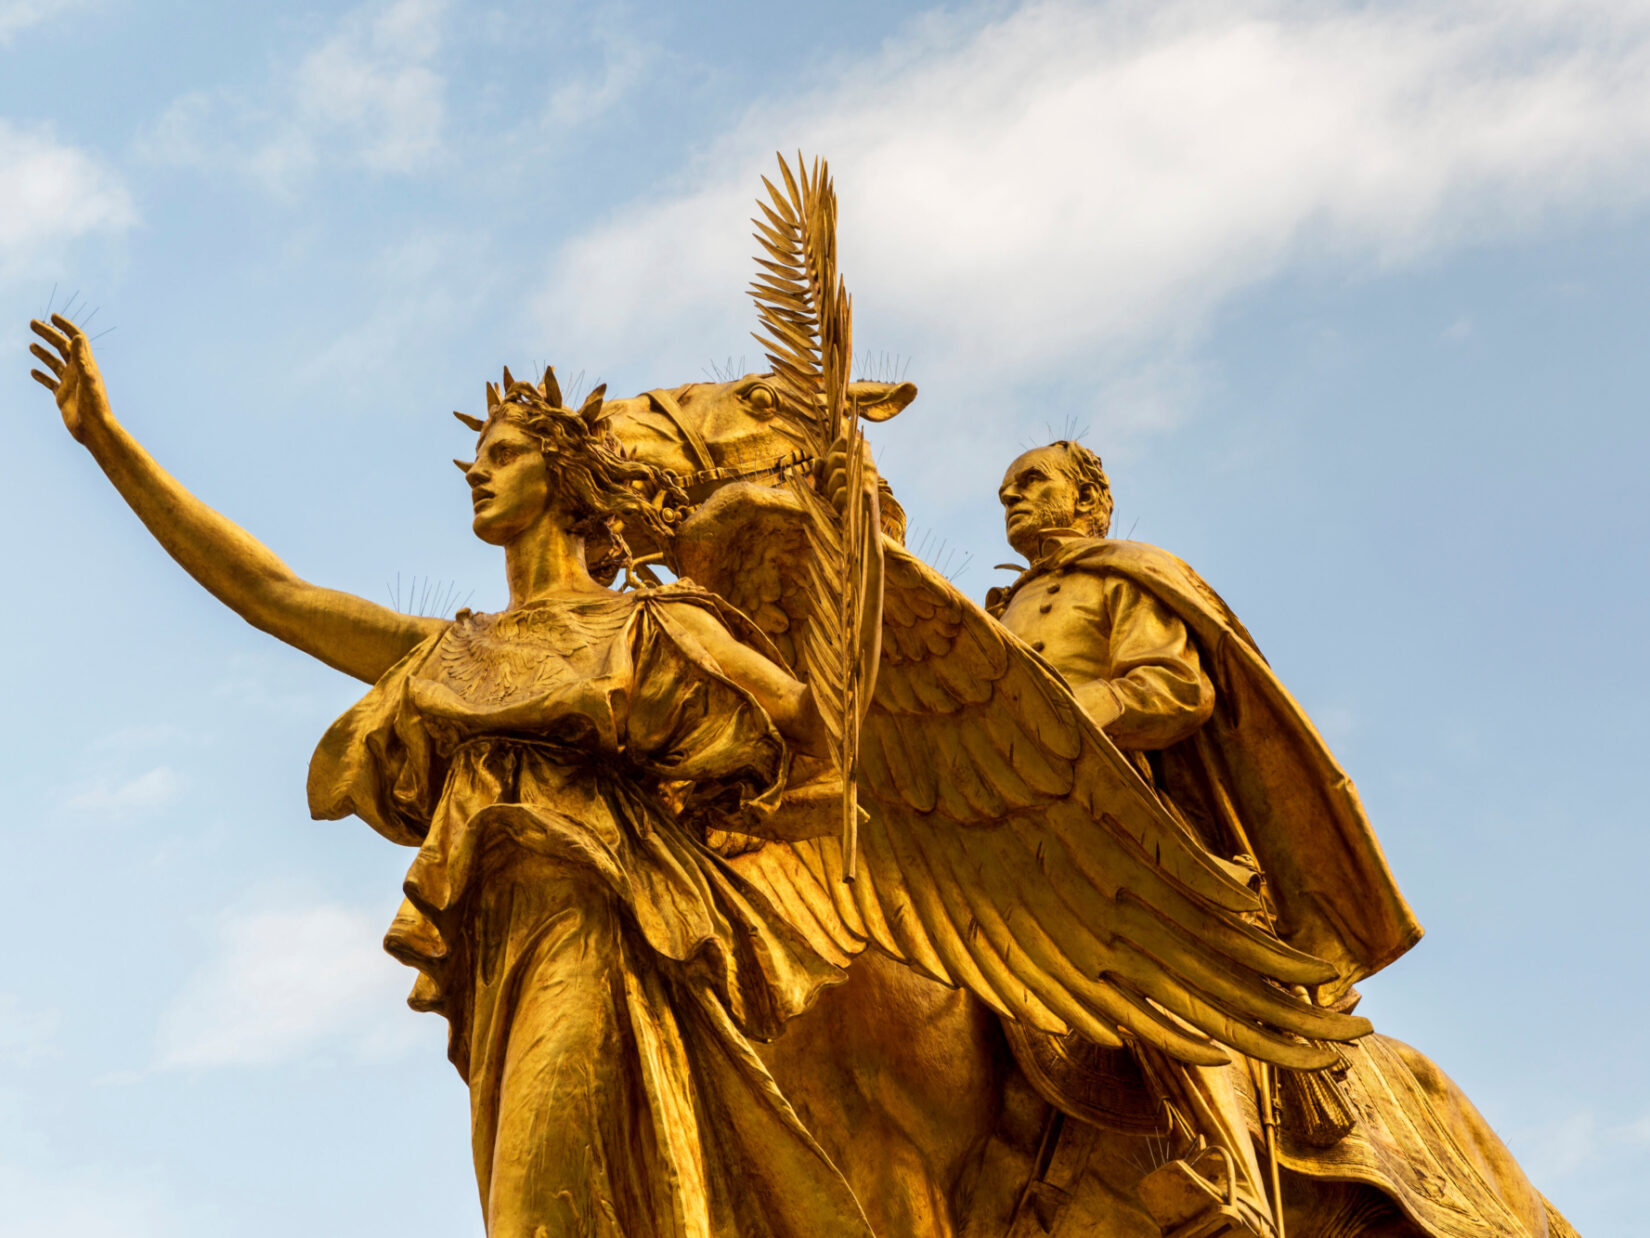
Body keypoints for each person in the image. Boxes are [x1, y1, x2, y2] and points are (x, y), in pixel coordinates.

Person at [27, 315, 877, 1238]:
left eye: (503, 453)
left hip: (597, 923)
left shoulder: (654, 627)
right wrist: (110, 445)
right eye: (478, 455)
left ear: (566, 476)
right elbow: (272, 595)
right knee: (536, 1198)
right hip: (497, 958)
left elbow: (820, 726)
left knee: (537, 1204)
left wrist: (849, 543)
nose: (477, 470)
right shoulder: (452, 651)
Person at [986, 440, 1423, 1237]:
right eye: (1005, 490)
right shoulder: (999, 612)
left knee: (1151, 962)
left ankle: (1229, 1178)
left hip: (1127, 820)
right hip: (1010, 821)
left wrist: (1067, 719)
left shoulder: (1124, 576)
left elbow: (1173, 686)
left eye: (1032, 483)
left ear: (1089, 502)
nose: (1012, 498)